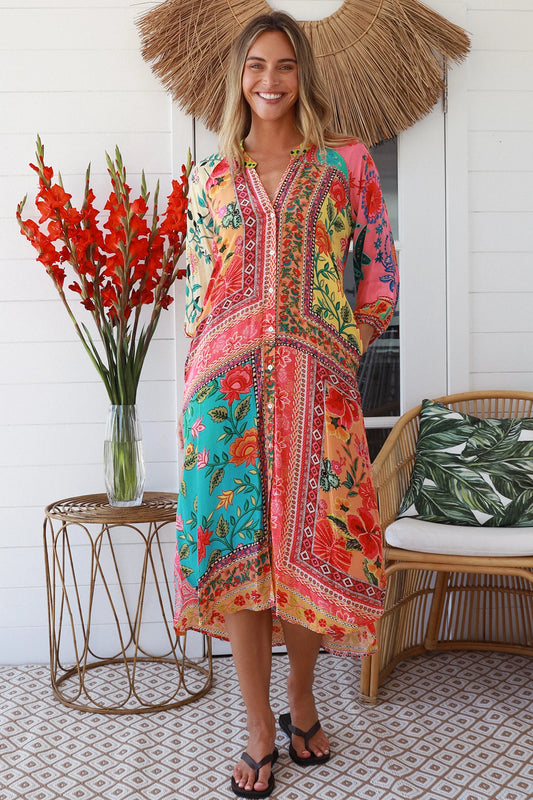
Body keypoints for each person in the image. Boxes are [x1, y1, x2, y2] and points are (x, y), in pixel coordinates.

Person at [174, 11, 398, 798]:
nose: (269, 81)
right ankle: (259, 728)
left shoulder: (344, 164)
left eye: (284, 67)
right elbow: (198, 293)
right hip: (224, 398)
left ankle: (302, 704)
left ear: (303, 76)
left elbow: (377, 271)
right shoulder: (211, 177)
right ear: (238, 79)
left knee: (308, 551)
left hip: (315, 391)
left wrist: (341, 348)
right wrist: (203, 376)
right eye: (255, 67)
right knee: (239, 559)